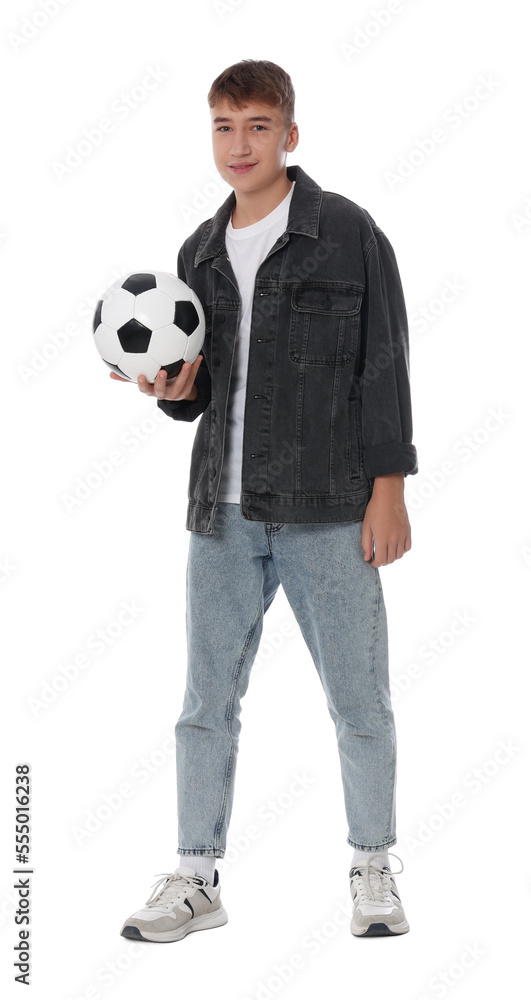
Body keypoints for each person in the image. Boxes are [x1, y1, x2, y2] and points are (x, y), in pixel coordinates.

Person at [116, 59, 418, 942]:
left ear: (290, 134)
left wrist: (388, 488)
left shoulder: (347, 231)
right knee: (203, 701)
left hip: (329, 507)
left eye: (256, 126)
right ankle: (196, 876)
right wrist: (168, 387)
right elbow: (199, 394)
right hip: (222, 511)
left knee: (359, 699)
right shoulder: (198, 254)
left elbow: (384, 362)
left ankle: (371, 866)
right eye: (222, 126)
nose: (238, 144)